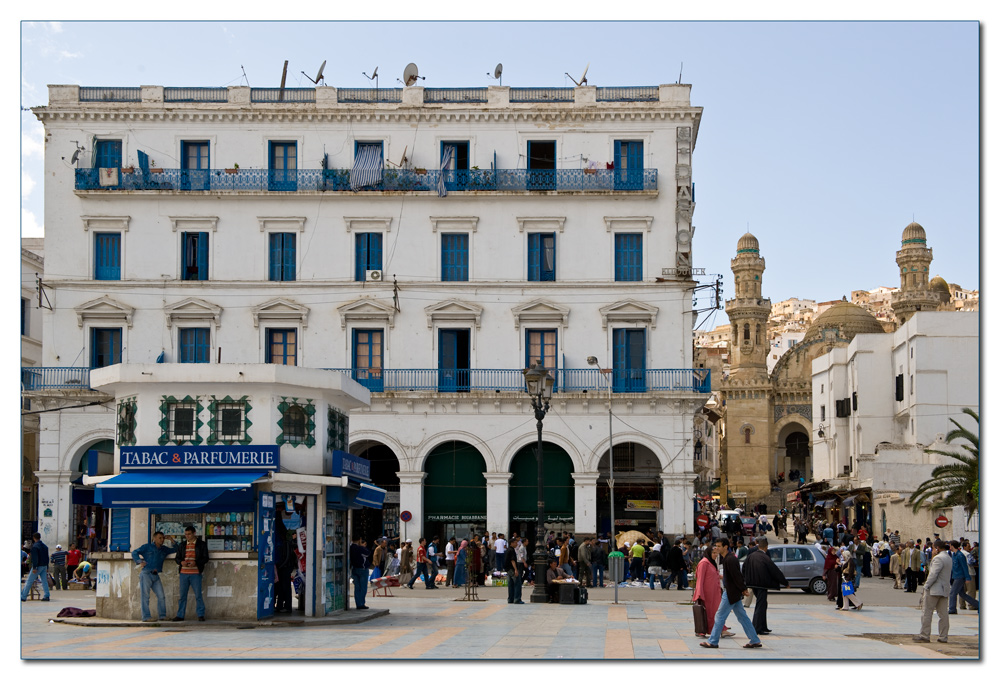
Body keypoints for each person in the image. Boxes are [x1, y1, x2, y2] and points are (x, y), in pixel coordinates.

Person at [699, 538, 763, 649]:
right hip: (733, 594)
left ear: (725, 547)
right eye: (716, 546)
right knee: (743, 617)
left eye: (719, 546)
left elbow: (737, 576)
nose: (717, 548)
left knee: (719, 616)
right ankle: (755, 640)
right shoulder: (727, 559)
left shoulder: (730, 559)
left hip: (730, 593)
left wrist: (743, 589)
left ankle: (713, 641)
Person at [741, 537, 788, 635]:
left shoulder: (751, 556)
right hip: (762, 584)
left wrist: (745, 581)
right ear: (766, 547)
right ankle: (757, 628)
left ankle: (763, 626)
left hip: (753, 584)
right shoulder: (765, 557)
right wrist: (785, 582)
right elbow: (775, 571)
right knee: (760, 605)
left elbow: (744, 568)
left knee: (763, 604)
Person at [131, 531, 176, 622]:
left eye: (163, 538)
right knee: (145, 596)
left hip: (156, 575)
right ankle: (146, 617)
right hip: (146, 573)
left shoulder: (164, 549)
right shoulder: (147, 547)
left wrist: (171, 540)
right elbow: (134, 552)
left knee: (161, 596)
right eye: (159, 538)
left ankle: (162, 615)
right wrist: (140, 562)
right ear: (154, 538)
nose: (162, 540)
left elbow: (176, 549)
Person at [913, 540, 952, 643]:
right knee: (943, 614)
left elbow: (933, 574)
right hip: (944, 590)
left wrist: (926, 586)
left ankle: (925, 635)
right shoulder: (948, 557)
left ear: (937, 548)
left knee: (927, 612)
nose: (933, 550)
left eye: (934, 548)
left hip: (934, 589)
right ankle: (943, 636)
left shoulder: (938, 558)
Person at [172, 525, 209, 621]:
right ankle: (180, 615)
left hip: (195, 573)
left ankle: (200, 615)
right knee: (182, 595)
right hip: (183, 573)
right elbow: (177, 558)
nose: (187, 536)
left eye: (189, 534)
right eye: (186, 534)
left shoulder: (202, 544)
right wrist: (181, 562)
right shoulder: (182, 545)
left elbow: (205, 558)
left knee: (198, 595)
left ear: (194, 533)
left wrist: (195, 562)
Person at [947, 540, 978, 614]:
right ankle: (978, 605)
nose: (949, 547)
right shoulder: (954, 555)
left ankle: (952, 609)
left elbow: (965, 567)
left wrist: (967, 577)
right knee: (962, 594)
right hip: (956, 576)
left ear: (952, 546)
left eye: (950, 545)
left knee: (952, 593)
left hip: (960, 577)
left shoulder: (960, 555)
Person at [20, 533, 51, 602]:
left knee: (29, 581)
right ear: (40, 537)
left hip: (38, 566)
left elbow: (35, 558)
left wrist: (34, 568)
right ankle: (47, 595)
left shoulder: (35, 547)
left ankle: (23, 596)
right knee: (44, 581)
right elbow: (47, 557)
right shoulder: (45, 546)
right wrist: (47, 567)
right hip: (44, 566)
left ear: (34, 538)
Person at [274, 518, 295, 613]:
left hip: (285, 568)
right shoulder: (284, 543)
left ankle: (287, 606)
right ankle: (280, 606)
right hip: (283, 567)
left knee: (285, 587)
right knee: (281, 587)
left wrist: (280, 567)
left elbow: (286, 557)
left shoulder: (286, 544)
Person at [349, 536, 370, 610]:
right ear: (360, 540)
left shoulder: (350, 548)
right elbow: (367, 554)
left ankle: (358, 603)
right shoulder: (360, 548)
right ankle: (361, 603)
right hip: (362, 569)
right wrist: (362, 546)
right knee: (363, 587)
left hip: (354, 569)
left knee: (357, 587)